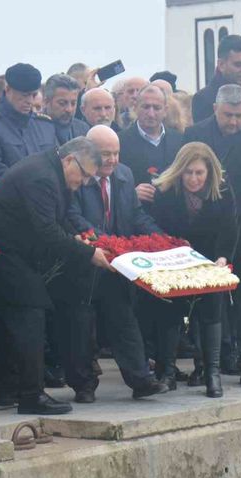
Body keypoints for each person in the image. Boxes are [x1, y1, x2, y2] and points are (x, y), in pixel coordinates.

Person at [0, 137, 112, 415]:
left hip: (13, 251)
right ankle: (31, 395)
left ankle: (8, 388)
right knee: (31, 314)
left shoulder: (53, 169)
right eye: (84, 175)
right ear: (70, 159)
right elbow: (47, 231)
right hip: (2, 251)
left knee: (13, 319)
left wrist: (79, 238)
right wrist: (88, 254)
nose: (84, 183)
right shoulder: (42, 177)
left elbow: (58, 219)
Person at [59, 126, 168, 402]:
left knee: (124, 319)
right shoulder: (76, 177)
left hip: (115, 266)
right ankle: (83, 385)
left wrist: (161, 240)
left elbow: (135, 215)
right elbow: (73, 217)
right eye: (105, 154)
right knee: (80, 325)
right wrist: (109, 244)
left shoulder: (124, 174)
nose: (112, 160)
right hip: (84, 262)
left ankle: (141, 379)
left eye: (116, 153)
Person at [182, 84, 241, 386]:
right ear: (215, 110)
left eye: (240, 116)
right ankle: (208, 361)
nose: (234, 122)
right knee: (205, 299)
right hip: (206, 234)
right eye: (228, 115)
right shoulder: (194, 134)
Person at [146, 142, 238, 397]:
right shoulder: (166, 192)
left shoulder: (222, 190)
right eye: (189, 173)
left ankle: (212, 373)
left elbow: (229, 228)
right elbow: (158, 226)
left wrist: (222, 258)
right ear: (180, 171)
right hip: (175, 257)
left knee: (211, 313)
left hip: (210, 259)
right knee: (169, 313)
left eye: (199, 173)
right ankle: (166, 372)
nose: (194, 179)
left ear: (209, 172)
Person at [0, 63, 56, 180]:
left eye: (33, 95)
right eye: (24, 95)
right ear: (7, 90)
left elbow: (54, 167)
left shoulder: (44, 125)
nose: (30, 101)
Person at [118, 84, 183, 204]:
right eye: (146, 107)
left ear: (165, 110)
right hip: (137, 215)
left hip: (173, 215)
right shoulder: (120, 142)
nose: (151, 113)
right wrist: (131, 194)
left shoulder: (180, 140)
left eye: (157, 108)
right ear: (135, 107)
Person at [44, 74, 89, 144]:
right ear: (46, 101)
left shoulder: (83, 129)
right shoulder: (35, 130)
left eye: (73, 103)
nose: (69, 109)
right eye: (62, 103)